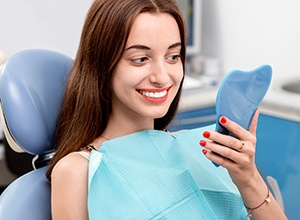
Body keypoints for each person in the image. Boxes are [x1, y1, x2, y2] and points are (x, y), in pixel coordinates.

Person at [46, 0, 288, 219]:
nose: (162, 78)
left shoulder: (199, 148)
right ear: (101, 64)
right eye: (140, 59)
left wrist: (249, 179)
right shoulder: (78, 171)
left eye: (173, 56)